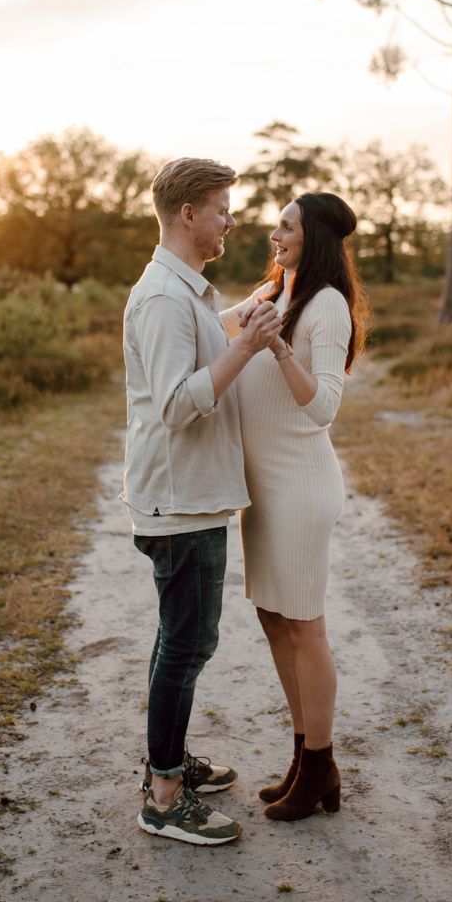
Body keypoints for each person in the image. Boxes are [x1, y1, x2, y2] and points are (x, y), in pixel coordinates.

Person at [122, 157, 283, 846]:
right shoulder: (161, 296)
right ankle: (163, 796)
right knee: (186, 646)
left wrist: (235, 318)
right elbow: (176, 403)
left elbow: (193, 343)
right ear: (188, 213)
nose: (231, 218)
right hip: (179, 503)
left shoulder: (181, 292)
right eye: (222, 206)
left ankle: (169, 759)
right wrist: (245, 347)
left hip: (191, 500)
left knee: (181, 641)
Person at [220, 192, 368, 822]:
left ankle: (321, 763)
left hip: (301, 488)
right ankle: (306, 758)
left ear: (314, 239)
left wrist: (278, 350)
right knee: (275, 622)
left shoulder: (326, 307)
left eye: (286, 224)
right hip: (264, 490)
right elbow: (209, 321)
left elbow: (323, 406)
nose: (272, 232)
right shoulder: (271, 293)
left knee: (305, 627)